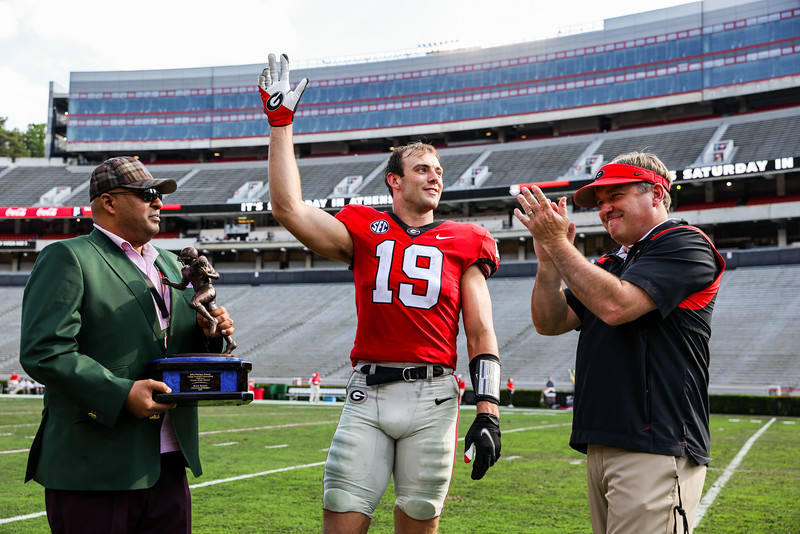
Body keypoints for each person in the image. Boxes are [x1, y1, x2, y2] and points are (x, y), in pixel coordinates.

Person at [259, 53, 502, 534]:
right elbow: (287, 208)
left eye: (438, 170)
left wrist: (489, 411)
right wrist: (281, 124)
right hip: (366, 392)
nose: (436, 177)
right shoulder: (364, 230)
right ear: (395, 180)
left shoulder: (467, 240)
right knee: (342, 515)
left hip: (434, 396)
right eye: (422, 169)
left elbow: (480, 330)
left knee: (418, 521)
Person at [19, 156, 235, 534]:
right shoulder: (69, 257)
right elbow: (44, 352)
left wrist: (209, 336)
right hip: (94, 465)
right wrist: (121, 394)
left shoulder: (172, 264)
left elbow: (174, 349)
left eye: (159, 195)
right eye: (148, 194)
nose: (159, 203)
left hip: (168, 461)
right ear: (109, 202)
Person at [515, 151, 725, 534]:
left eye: (616, 196)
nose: (605, 209)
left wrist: (561, 247)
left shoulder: (685, 243)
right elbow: (550, 321)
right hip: (605, 439)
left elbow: (617, 305)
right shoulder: (613, 262)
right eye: (599, 202)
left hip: (657, 443)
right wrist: (548, 259)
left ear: (657, 194)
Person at [163, 246, 236, 354]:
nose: (182, 259)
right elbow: (183, 286)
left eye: (184, 257)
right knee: (218, 317)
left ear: (190, 257)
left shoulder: (200, 262)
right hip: (200, 291)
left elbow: (217, 275)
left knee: (194, 303)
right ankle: (230, 342)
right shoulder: (185, 270)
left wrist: (207, 274)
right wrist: (170, 283)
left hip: (208, 289)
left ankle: (212, 320)